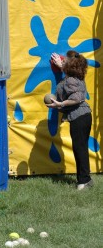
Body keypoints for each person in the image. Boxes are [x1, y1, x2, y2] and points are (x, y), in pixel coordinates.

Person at [47, 50, 93, 190]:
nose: (62, 61)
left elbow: (77, 98)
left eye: (65, 61)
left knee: (79, 149)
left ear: (70, 66)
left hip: (79, 117)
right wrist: (62, 65)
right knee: (81, 148)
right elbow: (71, 80)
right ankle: (87, 179)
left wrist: (60, 104)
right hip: (84, 116)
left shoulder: (70, 80)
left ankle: (83, 182)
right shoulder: (75, 76)